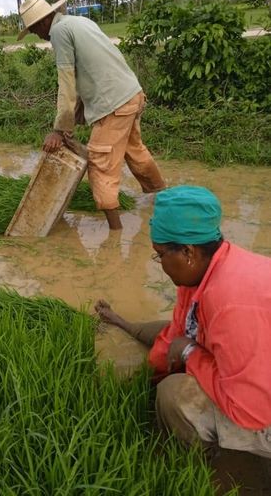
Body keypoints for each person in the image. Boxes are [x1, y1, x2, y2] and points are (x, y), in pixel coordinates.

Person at [95, 185, 271, 458]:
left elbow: (248, 408)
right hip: (250, 361)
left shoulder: (231, 303)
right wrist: (146, 378)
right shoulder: (208, 265)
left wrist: (190, 354)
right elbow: (175, 331)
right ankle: (121, 322)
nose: (160, 263)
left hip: (259, 411)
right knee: (169, 336)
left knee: (173, 394)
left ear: (187, 252)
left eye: (160, 254)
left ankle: (194, 462)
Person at [17, 0, 165, 230]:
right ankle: (164, 201)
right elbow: (91, 71)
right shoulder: (79, 22)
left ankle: (115, 233)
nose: (38, 35)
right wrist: (72, 122)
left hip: (114, 104)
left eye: (34, 30)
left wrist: (58, 130)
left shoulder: (58, 33)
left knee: (99, 163)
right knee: (135, 151)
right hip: (131, 94)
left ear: (42, 22)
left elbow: (66, 84)